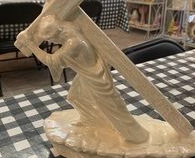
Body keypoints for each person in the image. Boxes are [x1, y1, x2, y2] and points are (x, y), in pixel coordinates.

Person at [17, 14, 149, 144]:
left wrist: (31, 45)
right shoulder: (70, 26)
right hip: (86, 73)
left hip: (95, 76)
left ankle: (136, 136)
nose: (52, 42)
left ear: (58, 33)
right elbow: (52, 8)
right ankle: (91, 120)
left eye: (51, 39)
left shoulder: (73, 43)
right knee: (76, 97)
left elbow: (51, 61)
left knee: (113, 107)